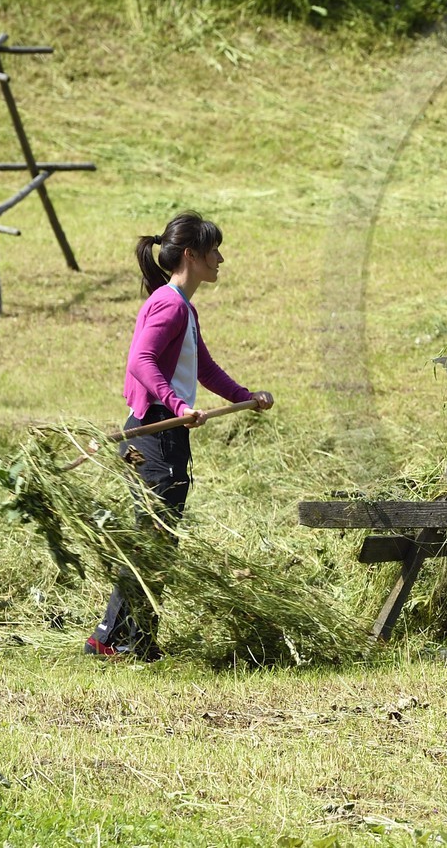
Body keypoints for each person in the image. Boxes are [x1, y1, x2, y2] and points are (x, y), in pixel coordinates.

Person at [85, 212, 273, 660]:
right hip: (154, 431)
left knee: (157, 539)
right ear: (192, 254)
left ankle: (133, 640)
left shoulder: (183, 307)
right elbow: (141, 361)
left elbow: (203, 368)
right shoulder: (169, 304)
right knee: (153, 537)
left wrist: (247, 396)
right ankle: (113, 639)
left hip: (163, 432)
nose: (221, 259)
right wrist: (177, 405)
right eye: (214, 252)